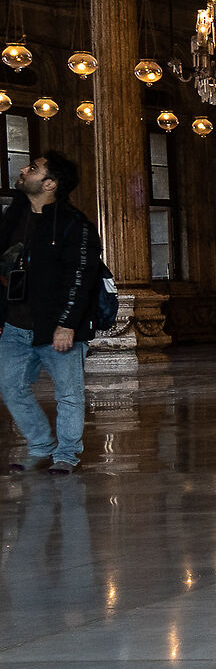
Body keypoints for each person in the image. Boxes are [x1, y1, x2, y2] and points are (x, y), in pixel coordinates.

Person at [0, 152, 103, 475]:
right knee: (10, 386)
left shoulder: (74, 224)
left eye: (32, 168)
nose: (23, 170)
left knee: (68, 394)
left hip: (57, 326)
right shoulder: (13, 216)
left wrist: (67, 324)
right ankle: (41, 446)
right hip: (15, 324)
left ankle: (67, 455)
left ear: (50, 183)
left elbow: (82, 275)